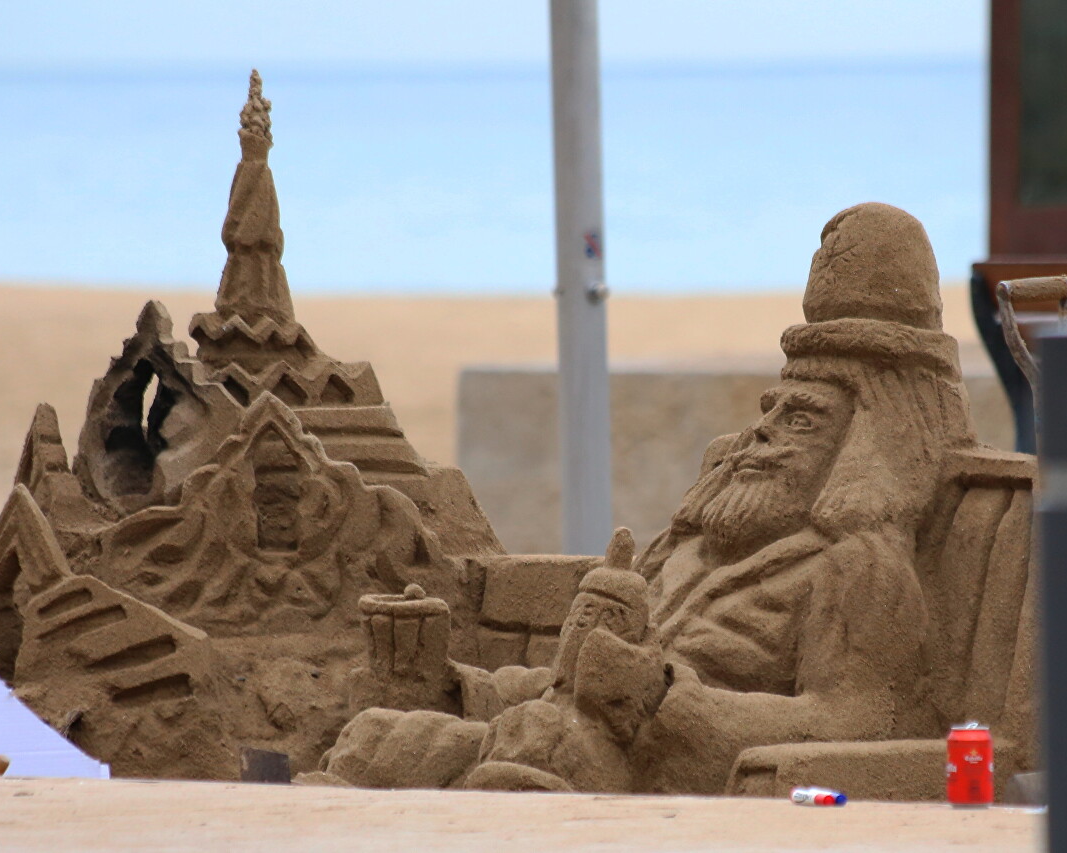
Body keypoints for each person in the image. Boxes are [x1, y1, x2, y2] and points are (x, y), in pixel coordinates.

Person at [313, 202, 979, 793]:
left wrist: (661, 700)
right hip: (565, 735)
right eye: (768, 410)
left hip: (654, 764)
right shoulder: (692, 545)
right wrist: (452, 680)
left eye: (801, 420)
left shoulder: (857, 564)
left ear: (857, 448)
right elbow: (566, 688)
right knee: (376, 735)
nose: (763, 434)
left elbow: (859, 718)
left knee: (538, 749)